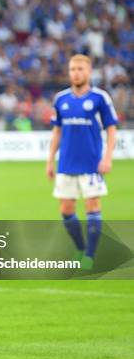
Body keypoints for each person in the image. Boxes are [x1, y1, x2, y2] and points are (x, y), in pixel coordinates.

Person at [46, 54, 118, 270]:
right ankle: (79, 247)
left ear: (89, 72)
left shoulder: (100, 98)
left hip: (91, 163)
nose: (76, 73)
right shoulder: (61, 99)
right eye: (72, 69)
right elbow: (57, 131)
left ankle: (89, 255)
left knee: (92, 206)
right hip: (66, 163)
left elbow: (111, 128)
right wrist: (50, 160)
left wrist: (107, 157)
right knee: (66, 210)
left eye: (80, 69)